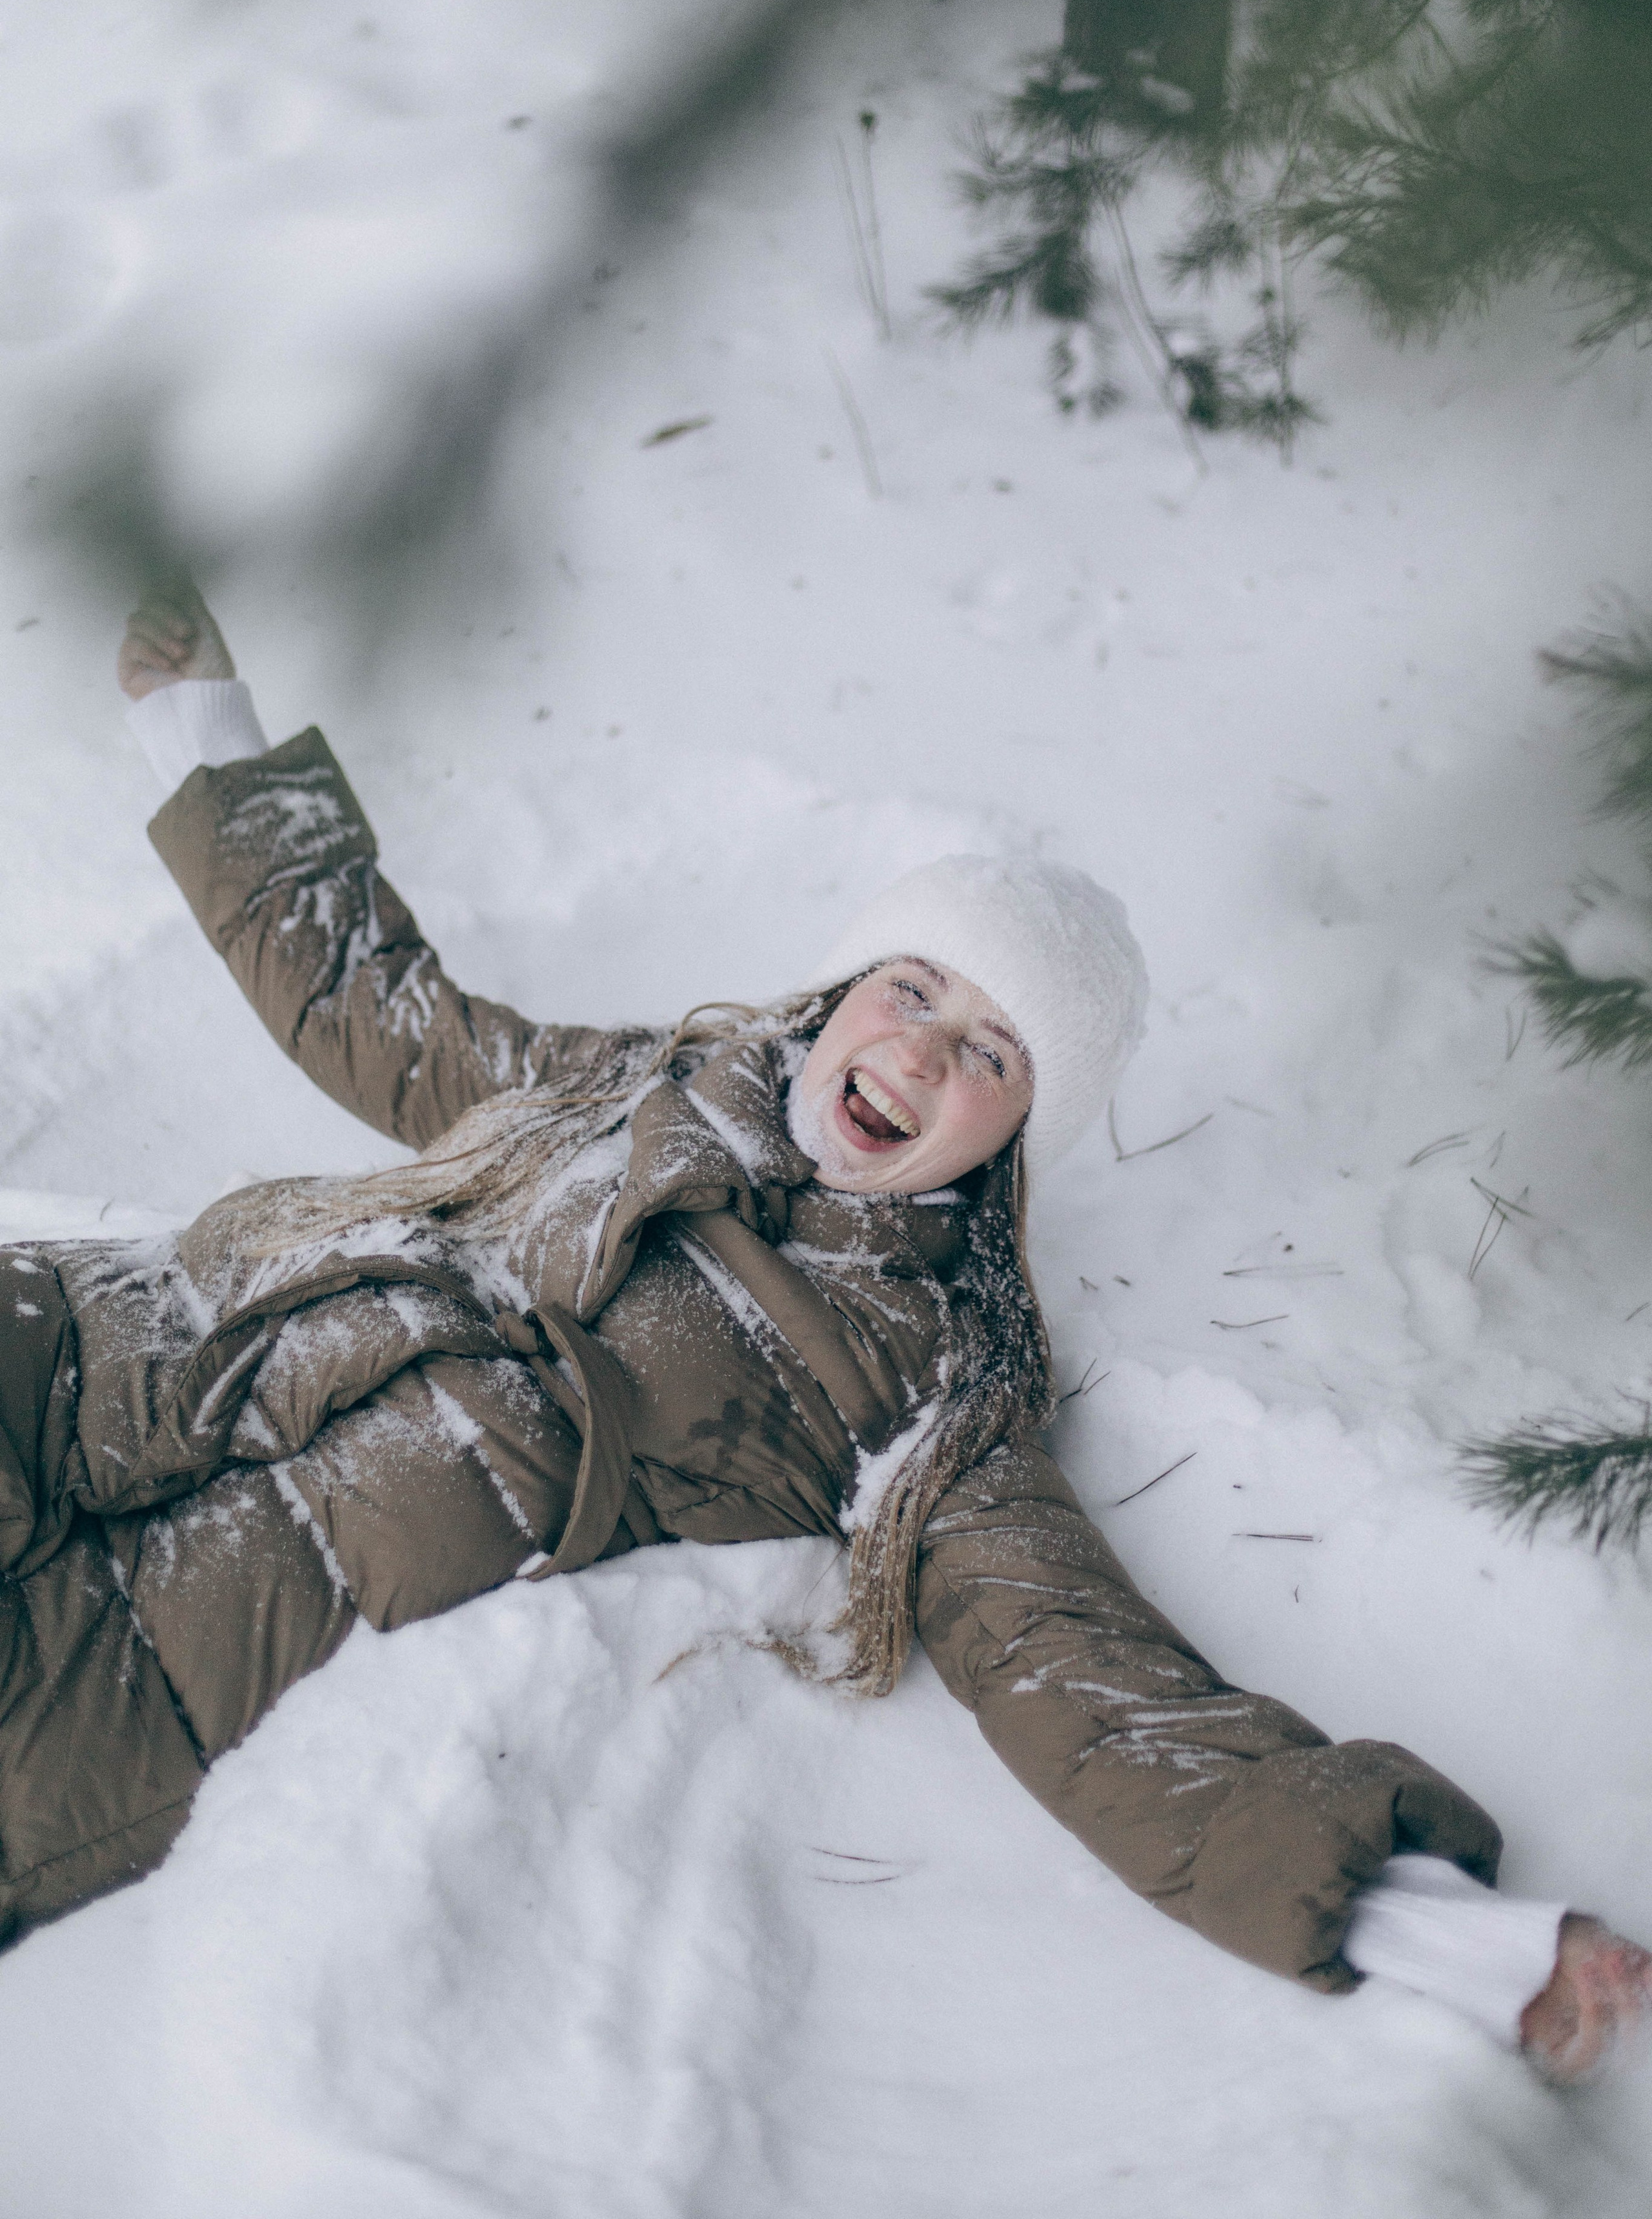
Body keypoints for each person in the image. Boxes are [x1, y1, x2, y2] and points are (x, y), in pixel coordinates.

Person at [0, 590, 1641, 2089]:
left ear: (1013, 1136)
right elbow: (376, 1000)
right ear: (847, 986)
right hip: (96, 1345)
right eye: (911, 987)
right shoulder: (629, 1082)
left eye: (990, 1049)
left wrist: (1439, 1927)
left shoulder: (928, 1388)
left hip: (166, 1645)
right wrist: (203, 725)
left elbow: (1088, 1691)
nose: (921, 1052)